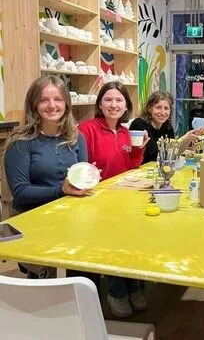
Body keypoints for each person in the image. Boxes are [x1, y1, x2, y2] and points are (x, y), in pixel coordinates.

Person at [3, 75, 88, 278]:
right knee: (43, 280)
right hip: (32, 221)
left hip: (69, 217)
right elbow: (21, 193)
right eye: (44, 100)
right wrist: (61, 190)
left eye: (58, 99)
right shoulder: (21, 142)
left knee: (83, 264)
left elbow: (81, 175)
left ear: (66, 104)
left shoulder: (77, 138)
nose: (52, 105)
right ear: (34, 105)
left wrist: (89, 178)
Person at [78, 81, 149, 318]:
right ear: (100, 103)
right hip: (96, 201)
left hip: (123, 199)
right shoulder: (87, 129)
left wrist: (139, 150)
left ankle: (133, 285)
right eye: (108, 99)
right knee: (111, 244)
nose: (113, 104)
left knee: (131, 242)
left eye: (119, 100)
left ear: (126, 105)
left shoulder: (126, 132)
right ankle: (117, 291)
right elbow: (80, 166)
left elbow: (131, 166)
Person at [129, 91, 204, 164]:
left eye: (166, 108)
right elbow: (153, 156)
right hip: (138, 172)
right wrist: (183, 139)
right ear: (150, 108)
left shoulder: (167, 126)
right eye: (158, 107)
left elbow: (173, 153)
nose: (163, 112)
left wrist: (188, 139)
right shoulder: (139, 124)